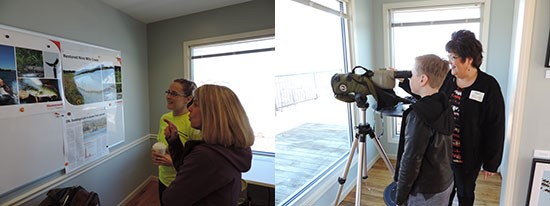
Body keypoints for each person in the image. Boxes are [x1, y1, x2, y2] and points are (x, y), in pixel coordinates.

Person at [398, 30, 505, 206]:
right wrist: (404, 83)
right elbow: (429, 97)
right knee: (446, 192)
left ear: (468, 59)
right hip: (443, 154)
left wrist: (491, 163)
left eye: (453, 57)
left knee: (465, 192)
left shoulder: (489, 86)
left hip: (468, 156)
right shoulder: (448, 78)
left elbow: (495, 126)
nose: (449, 61)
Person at [162, 84, 254, 205]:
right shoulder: (233, 148)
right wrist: (174, 142)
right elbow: (186, 170)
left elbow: (170, 200)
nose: (189, 109)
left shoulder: (207, 156)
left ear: (213, 113)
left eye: (196, 104)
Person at [393, 54, 455, 205]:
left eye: (412, 74)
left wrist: (400, 197)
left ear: (423, 79)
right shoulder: (444, 105)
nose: (410, 77)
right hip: (445, 181)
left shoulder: (418, 115)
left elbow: (411, 160)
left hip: (425, 192)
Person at [151, 78, 200, 206]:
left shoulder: (193, 122)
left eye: (174, 94)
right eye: (168, 92)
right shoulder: (164, 118)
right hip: (163, 178)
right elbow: (161, 143)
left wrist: (173, 161)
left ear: (188, 99)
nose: (168, 96)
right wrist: (157, 153)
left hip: (182, 182)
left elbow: (197, 161)